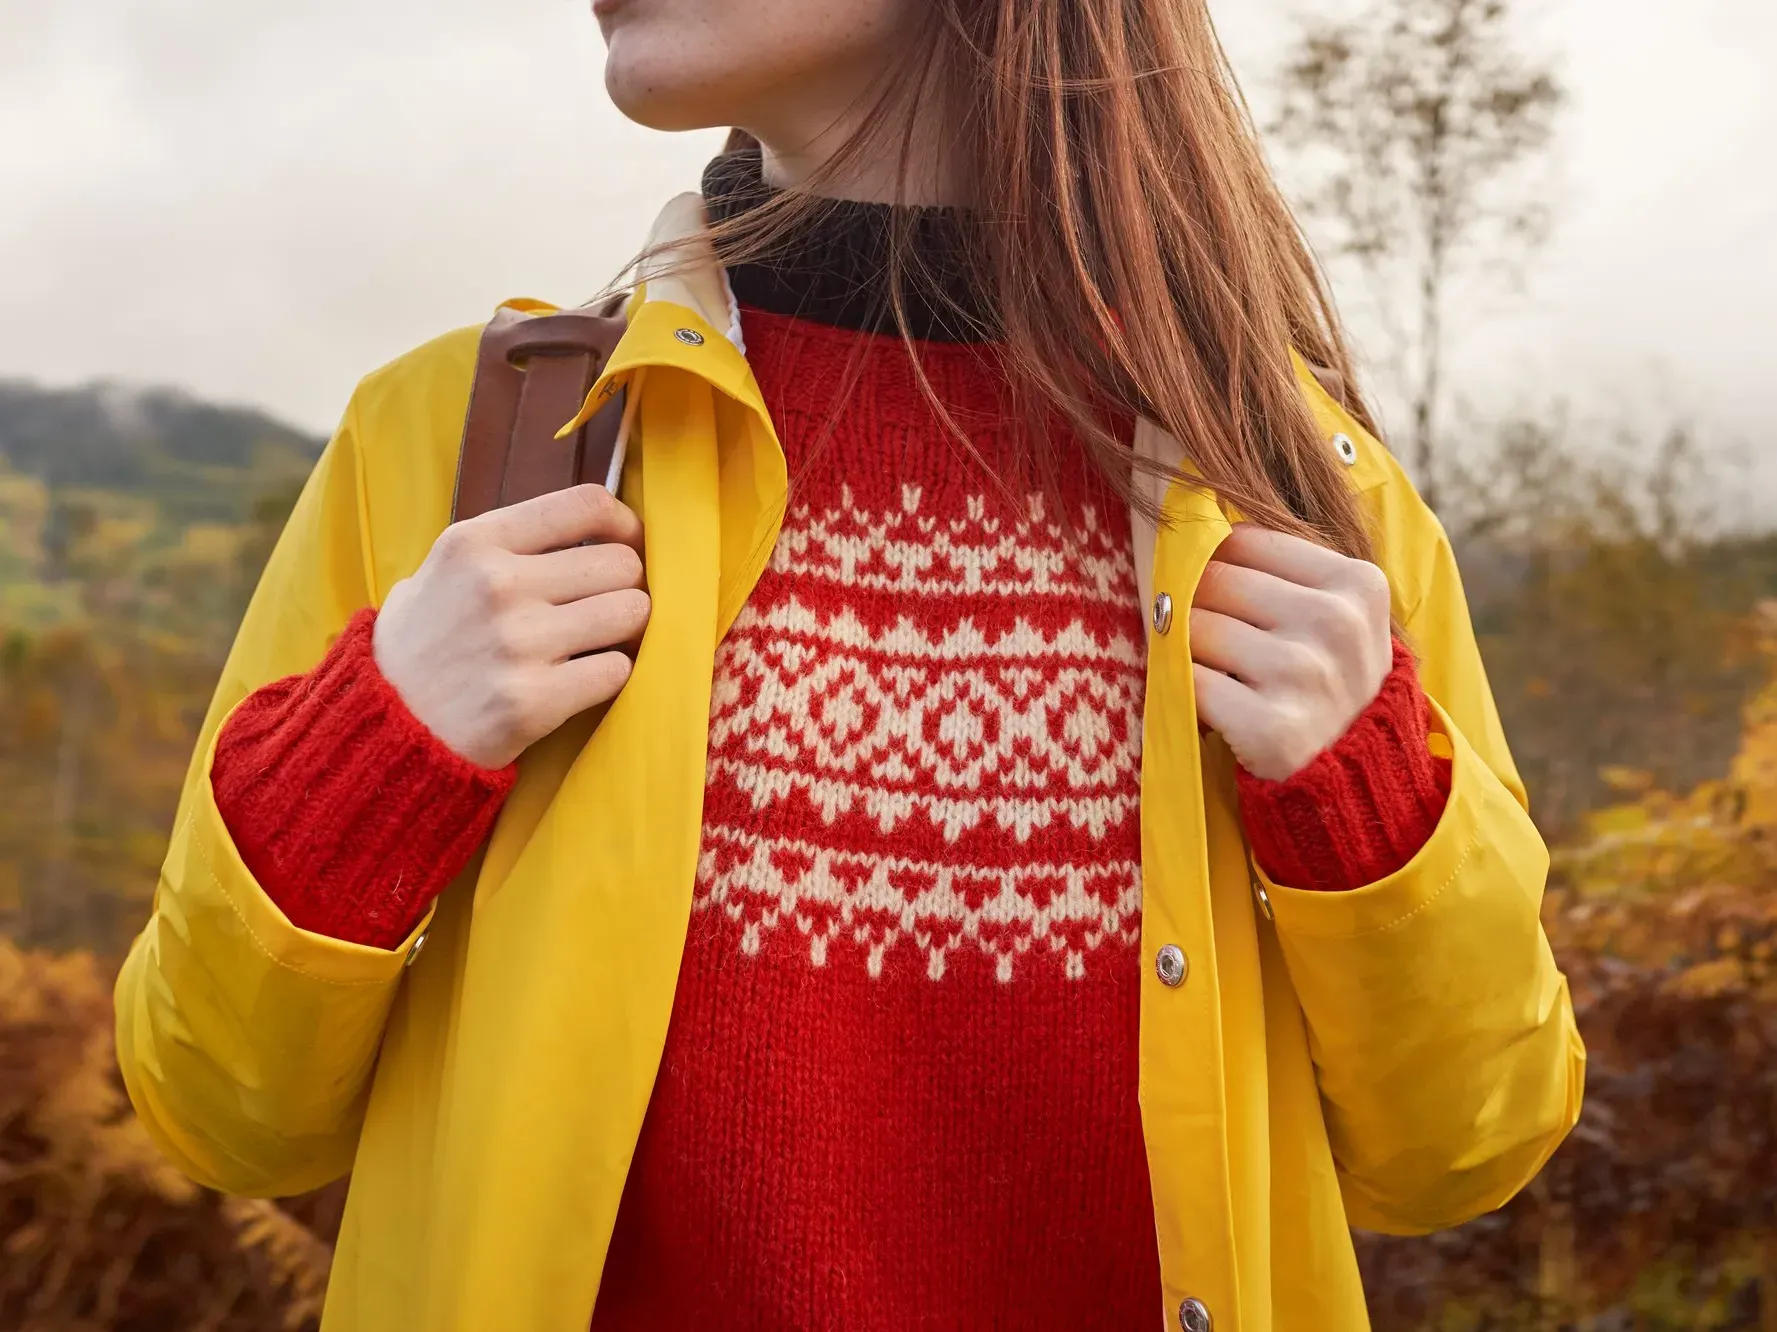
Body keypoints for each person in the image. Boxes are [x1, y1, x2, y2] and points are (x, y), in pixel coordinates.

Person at [114, 0, 1586, 1328]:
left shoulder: (1302, 497)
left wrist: (1366, 791)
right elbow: (223, 1116)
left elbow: (1466, 1140)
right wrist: (376, 748)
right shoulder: (463, 445)